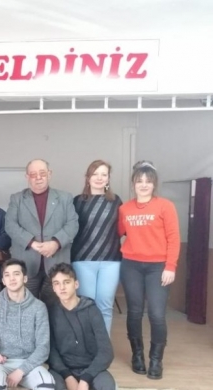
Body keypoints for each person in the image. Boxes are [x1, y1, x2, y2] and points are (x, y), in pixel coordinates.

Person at [118, 160, 180, 380]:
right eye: (139, 181)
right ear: (133, 184)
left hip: (158, 267)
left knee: (156, 314)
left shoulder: (165, 206)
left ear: (154, 184)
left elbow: (173, 238)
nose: (143, 185)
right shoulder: (124, 209)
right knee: (134, 312)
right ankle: (137, 356)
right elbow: (117, 232)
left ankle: (156, 360)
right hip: (131, 266)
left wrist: (170, 266)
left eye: (148, 181)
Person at [5, 159, 78, 303]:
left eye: (42, 173)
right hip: (26, 264)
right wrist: (31, 242)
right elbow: (10, 225)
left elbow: (73, 224)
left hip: (56, 263)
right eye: (33, 174)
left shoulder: (65, 198)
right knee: (25, 306)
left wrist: (56, 243)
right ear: (27, 177)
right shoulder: (17, 199)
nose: (38, 177)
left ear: (49, 174)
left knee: (55, 308)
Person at [71, 160, 123, 335]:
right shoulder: (77, 202)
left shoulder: (116, 201)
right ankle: (87, 346)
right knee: (86, 306)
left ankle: (103, 346)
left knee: (105, 306)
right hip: (83, 260)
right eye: (95, 174)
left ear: (108, 178)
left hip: (111, 261)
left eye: (104, 174)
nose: (99, 178)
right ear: (88, 177)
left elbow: (123, 228)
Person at [0, 259, 54, 390]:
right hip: (1, 362)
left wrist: (21, 371)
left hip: (29, 363)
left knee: (47, 383)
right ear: (3, 281)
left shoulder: (38, 307)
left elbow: (43, 347)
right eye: (7, 275)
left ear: (25, 278)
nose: (12, 279)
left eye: (16, 274)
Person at [48, 263, 116, 390]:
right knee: (51, 385)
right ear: (53, 288)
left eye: (66, 282)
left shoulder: (92, 310)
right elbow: (51, 350)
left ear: (76, 284)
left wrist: (86, 379)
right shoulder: (51, 312)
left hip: (91, 369)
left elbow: (106, 351)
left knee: (107, 386)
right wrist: (67, 376)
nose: (62, 287)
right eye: (57, 283)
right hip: (62, 370)